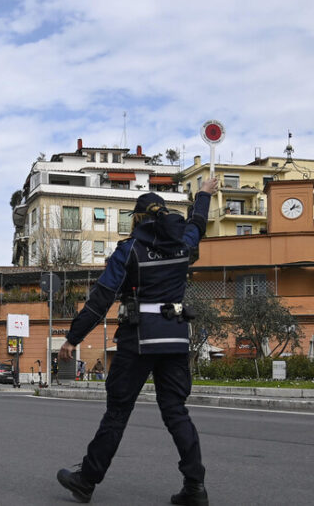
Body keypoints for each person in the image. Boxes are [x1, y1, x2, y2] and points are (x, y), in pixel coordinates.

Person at [57, 177, 218, 506]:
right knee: (176, 411)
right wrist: (203, 195)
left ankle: (86, 480)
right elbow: (198, 224)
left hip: (139, 339)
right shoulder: (183, 245)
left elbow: (100, 299)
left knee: (117, 413)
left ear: (137, 219)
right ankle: (194, 486)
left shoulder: (129, 250)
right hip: (175, 338)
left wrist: (74, 338)